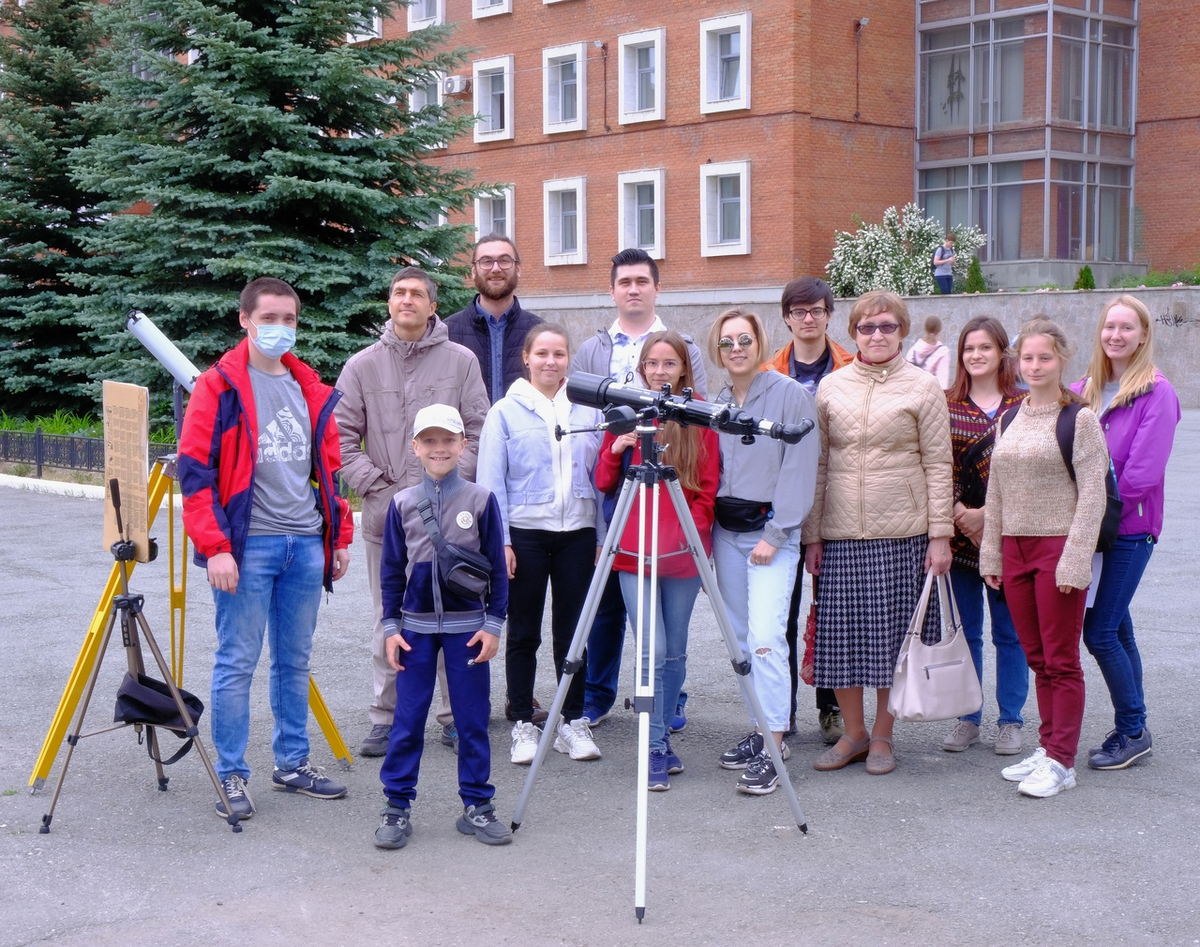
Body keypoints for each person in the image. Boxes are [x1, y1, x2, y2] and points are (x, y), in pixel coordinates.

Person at [179, 277, 353, 820]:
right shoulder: (219, 386)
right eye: (269, 318)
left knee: (294, 662)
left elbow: (327, 473)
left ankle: (292, 765)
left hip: (303, 544)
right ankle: (230, 774)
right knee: (236, 662)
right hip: (246, 547)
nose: (280, 328)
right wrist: (216, 547)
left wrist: (336, 537)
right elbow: (195, 473)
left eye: (289, 319)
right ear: (245, 320)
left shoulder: (309, 387)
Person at [335, 266, 489, 758]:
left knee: (455, 614)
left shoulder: (461, 361)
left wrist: (446, 486)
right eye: (399, 292)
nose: (407, 300)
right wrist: (378, 487)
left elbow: (478, 427)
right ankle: (386, 716)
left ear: (431, 304)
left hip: (451, 523)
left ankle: (453, 716)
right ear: (389, 302)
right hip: (387, 519)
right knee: (390, 618)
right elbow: (338, 439)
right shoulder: (361, 365)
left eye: (416, 293)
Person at [804, 290, 953, 777]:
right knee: (841, 641)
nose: (877, 335)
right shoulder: (831, 387)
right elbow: (819, 464)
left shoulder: (923, 387)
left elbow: (938, 463)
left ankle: (884, 735)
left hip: (902, 533)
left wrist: (939, 535)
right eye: (867, 328)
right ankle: (854, 734)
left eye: (887, 326)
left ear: (902, 331)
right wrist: (813, 535)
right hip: (841, 531)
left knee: (891, 641)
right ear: (853, 333)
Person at [573, 248, 707, 728]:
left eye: (641, 281)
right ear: (612, 290)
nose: (633, 289)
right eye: (624, 281)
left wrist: (697, 535)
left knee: (671, 631)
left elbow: (700, 433)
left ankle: (670, 699)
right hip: (619, 501)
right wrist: (612, 454)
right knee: (611, 608)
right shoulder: (593, 347)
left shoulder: (684, 344)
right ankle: (599, 695)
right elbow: (589, 429)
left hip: (672, 511)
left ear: (655, 288)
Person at [980, 319, 1108, 799]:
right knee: (1035, 656)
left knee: (1061, 660)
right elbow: (997, 490)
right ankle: (1047, 745)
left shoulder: (1080, 419)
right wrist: (992, 549)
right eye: (1027, 358)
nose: (1035, 366)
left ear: (1062, 360)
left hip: (1057, 547)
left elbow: (1093, 496)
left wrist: (1075, 561)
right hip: (1014, 548)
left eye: (1044, 358)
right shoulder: (1010, 416)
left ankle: (1062, 760)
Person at [373, 405, 511, 848]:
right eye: (429, 441)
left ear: (462, 445)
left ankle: (477, 803)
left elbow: (495, 568)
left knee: (471, 720)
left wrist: (493, 624)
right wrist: (390, 626)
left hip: (468, 628)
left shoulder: (481, 500)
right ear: (415, 447)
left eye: (448, 440)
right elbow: (391, 570)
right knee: (408, 720)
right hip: (413, 630)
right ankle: (396, 805)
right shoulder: (401, 504)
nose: (439, 448)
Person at [594, 331, 719, 791]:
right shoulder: (629, 411)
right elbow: (604, 481)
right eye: (653, 363)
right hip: (635, 549)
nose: (661, 371)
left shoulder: (697, 417)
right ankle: (652, 745)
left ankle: (663, 734)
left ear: (683, 369)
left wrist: (696, 541)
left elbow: (707, 489)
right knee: (652, 648)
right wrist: (618, 447)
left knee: (676, 651)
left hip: (681, 552)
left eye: (670, 363)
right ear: (642, 368)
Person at [477, 325, 604, 767]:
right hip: (526, 534)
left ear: (569, 359)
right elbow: (491, 483)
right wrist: (502, 542)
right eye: (543, 354)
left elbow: (602, 477)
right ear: (526, 358)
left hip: (578, 534)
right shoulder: (505, 412)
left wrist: (602, 536)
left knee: (573, 634)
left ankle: (573, 721)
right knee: (524, 632)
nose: (551, 362)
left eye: (560, 354)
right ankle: (523, 725)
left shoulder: (589, 408)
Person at [708, 309, 819, 795]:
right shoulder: (714, 402)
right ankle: (761, 727)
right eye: (727, 341)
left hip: (771, 533)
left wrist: (776, 535)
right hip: (725, 532)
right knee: (738, 637)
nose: (736, 349)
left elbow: (800, 466)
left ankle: (776, 743)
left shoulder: (791, 395)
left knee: (767, 637)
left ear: (760, 343)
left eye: (744, 340)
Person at [1072, 296, 1180, 770]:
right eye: (1109, 326)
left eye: (1126, 327)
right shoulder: (1084, 390)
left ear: (1142, 335)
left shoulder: (1157, 393)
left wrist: (1088, 510)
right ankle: (1135, 726)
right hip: (1089, 528)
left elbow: (1141, 475)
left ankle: (1132, 729)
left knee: (1099, 632)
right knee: (1116, 627)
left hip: (1129, 530)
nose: (1116, 335)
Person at [760, 275, 853, 745]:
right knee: (782, 612)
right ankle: (782, 710)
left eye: (817, 310)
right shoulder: (768, 371)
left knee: (831, 610)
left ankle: (831, 707)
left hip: (836, 500)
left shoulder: (851, 367)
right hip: (782, 504)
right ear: (787, 317)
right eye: (799, 311)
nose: (809, 318)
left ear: (829, 315)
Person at [941, 317, 1029, 756]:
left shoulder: (1026, 404)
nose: (976, 355)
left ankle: (1011, 720)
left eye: (985, 348)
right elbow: (939, 467)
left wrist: (986, 518)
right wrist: (961, 514)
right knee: (967, 633)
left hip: (1010, 537)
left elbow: (1035, 474)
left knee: (1010, 634)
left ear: (1001, 353)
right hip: (959, 541)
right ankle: (968, 718)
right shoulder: (946, 404)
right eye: (968, 348)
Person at [443, 233, 543, 405]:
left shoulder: (539, 332)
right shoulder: (447, 332)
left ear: (517, 269)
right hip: (467, 432)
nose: (496, 269)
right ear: (473, 271)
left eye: (504, 260)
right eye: (486, 261)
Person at [906, 315, 952, 388]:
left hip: (911, 395)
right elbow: (942, 384)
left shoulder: (912, 351)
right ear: (939, 330)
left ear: (925, 329)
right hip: (930, 396)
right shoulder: (942, 353)